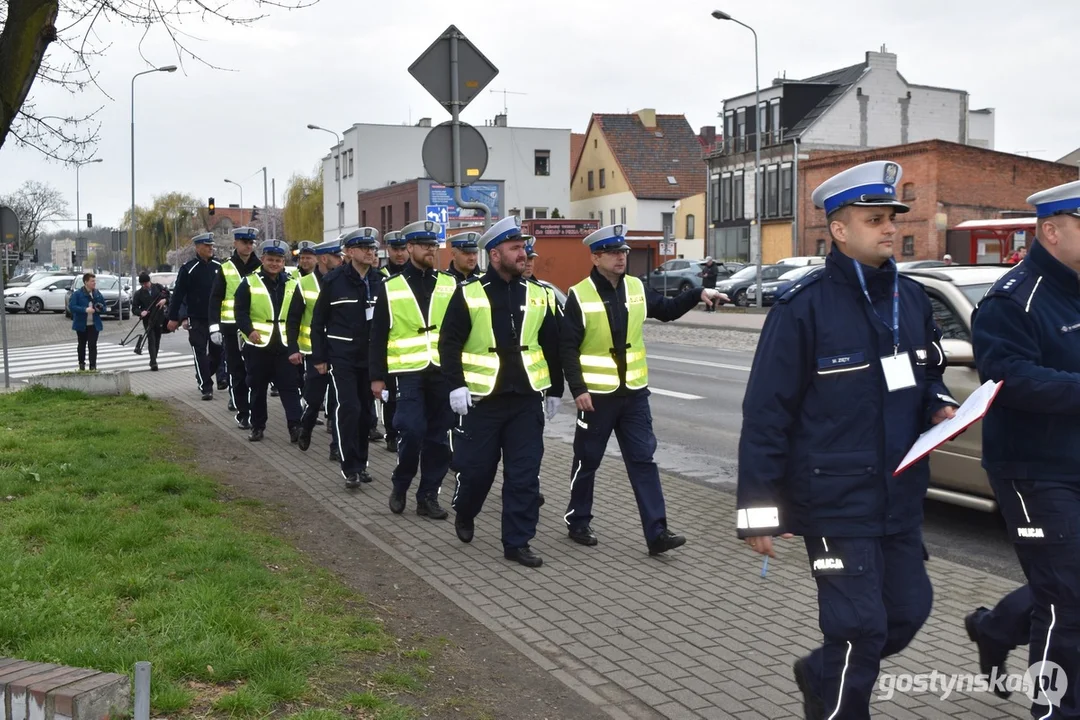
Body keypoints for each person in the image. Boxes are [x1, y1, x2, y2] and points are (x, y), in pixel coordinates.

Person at [737, 160, 959, 720]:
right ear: (839, 230)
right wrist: (758, 513)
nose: (889, 228)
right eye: (874, 219)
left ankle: (821, 672)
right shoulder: (801, 308)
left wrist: (938, 403)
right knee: (860, 629)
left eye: (891, 218)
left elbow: (925, 369)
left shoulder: (909, 300)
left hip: (900, 498)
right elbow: (767, 415)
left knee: (909, 610)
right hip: (833, 502)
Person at [968, 178, 1080, 718]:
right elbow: (1008, 378)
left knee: (1066, 583)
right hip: (1034, 471)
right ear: (1052, 231)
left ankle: (994, 629)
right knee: (1067, 599)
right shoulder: (1011, 299)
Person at [560, 224, 726, 555]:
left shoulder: (635, 287)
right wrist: (578, 388)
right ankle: (578, 520)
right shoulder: (580, 294)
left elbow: (665, 310)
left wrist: (697, 294)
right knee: (588, 459)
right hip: (597, 397)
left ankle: (657, 532)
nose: (621, 258)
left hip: (634, 394)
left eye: (624, 252)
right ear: (596, 257)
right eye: (613, 253)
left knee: (643, 460)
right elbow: (567, 347)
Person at [440, 217, 563, 568]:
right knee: (477, 472)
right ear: (495, 254)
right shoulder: (470, 294)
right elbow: (448, 343)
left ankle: (517, 541)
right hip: (483, 402)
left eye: (523, 247)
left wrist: (555, 389)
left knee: (524, 475)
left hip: (526, 400)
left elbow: (552, 345)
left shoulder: (540, 295)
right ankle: (465, 510)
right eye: (514, 248)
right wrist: (456, 385)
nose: (522, 253)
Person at [369, 220, 457, 519]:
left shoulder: (448, 283)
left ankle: (428, 496)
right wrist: (377, 377)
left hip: (442, 372)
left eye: (434, 246)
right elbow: (378, 334)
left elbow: (460, 332)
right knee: (412, 430)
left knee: (439, 439)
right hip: (408, 372)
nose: (431, 250)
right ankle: (401, 483)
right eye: (425, 246)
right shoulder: (390, 287)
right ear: (409, 248)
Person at [311, 228, 383, 488]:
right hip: (342, 357)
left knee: (366, 414)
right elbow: (318, 322)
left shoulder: (379, 280)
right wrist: (319, 356)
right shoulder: (334, 281)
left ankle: (362, 463)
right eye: (364, 248)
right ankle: (349, 466)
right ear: (350, 252)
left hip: (370, 358)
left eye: (372, 247)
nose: (370, 252)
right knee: (349, 409)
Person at [233, 239, 304, 443]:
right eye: (270, 259)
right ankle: (257, 426)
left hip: (284, 346)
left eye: (278, 260)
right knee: (257, 389)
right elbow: (240, 311)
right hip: (258, 345)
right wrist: (249, 330)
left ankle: (295, 427)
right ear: (262, 259)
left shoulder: (292, 283)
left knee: (290, 388)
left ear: (284, 262)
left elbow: (296, 316)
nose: (274, 263)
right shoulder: (249, 282)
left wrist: (295, 346)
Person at [210, 226, 262, 427]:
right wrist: (214, 327)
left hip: (255, 330)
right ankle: (243, 413)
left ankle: (255, 412)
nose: (248, 246)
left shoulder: (261, 266)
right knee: (237, 371)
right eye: (244, 243)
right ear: (236, 244)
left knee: (255, 373)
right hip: (231, 329)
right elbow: (215, 299)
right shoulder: (226, 268)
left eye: (251, 243)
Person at [297, 239, 342, 461]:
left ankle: (336, 445)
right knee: (314, 397)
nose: (341, 260)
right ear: (325, 259)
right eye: (337, 256)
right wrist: (293, 348)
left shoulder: (343, 281)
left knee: (337, 400)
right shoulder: (304, 283)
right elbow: (295, 319)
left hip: (340, 350)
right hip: (316, 351)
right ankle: (306, 426)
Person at [167, 232, 223, 400]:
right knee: (199, 352)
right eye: (207, 246)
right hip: (196, 318)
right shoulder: (188, 268)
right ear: (198, 248)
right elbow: (178, 294)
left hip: (215, 318)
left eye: (211, 246)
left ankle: (204, 374)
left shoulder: (219, 266)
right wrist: (173, 317)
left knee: (217, 353)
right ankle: (206, 386)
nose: (210, 249)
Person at [377, 230, 409, 453]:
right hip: (390, 347)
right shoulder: (381, 277)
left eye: (403, 249)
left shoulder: (413, 275)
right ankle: (391, 434)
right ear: (388, 250)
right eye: (395, 249)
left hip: (411, 346)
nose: (400, 254)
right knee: (391, 396)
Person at [132, 272, 169, 370]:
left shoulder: (158, 288)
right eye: (143, 284)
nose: (145, 286)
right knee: (151, 340)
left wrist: (165, 300)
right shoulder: (138, 294)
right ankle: (153, 362)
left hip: (160, 317)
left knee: (157, 340)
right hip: (148, 319)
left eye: (146, 283)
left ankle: (154, 359)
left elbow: (170, 296)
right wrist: (141, 312)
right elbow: (134, 308)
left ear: (149, 281)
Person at [69, 273, 105, 371]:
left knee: (92, 345)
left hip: (94, 324)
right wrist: (85, 309)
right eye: (92, 281)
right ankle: (81, 364)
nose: (94, 283)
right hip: (81, 325)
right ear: (86, 282)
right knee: (82, 345)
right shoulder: (77, 294)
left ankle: (93, 366)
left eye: (95, 281)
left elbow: (103, 306)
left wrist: (100, 309)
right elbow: (72, 307)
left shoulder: (97, 293)